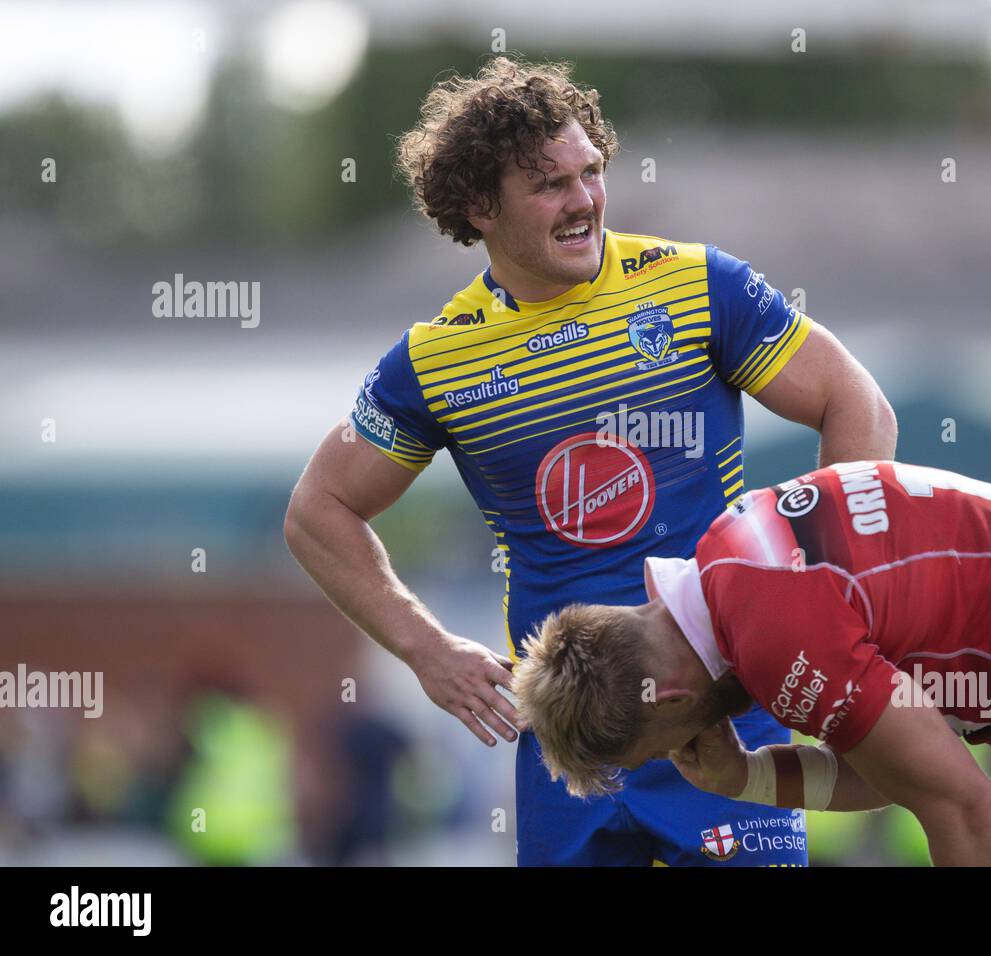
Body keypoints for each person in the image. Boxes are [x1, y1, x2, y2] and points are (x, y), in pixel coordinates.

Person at [283, 57, 897, 866]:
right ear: (479, 207)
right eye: (548, 184)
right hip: (568, 746)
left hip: (722, 717)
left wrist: (814, 590)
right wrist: (424, 647)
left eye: (591, 171)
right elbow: (318, 512)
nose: (583, 200)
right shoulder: (435, 362)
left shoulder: (692, 286)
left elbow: (857, 405)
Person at [514, 460, 991, 866]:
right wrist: (744, 776)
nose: (687, 754)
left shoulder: (775, 639)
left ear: (669, 699)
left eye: (665, 748)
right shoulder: (728, 565)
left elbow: (961, 810)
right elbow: (902, 767)